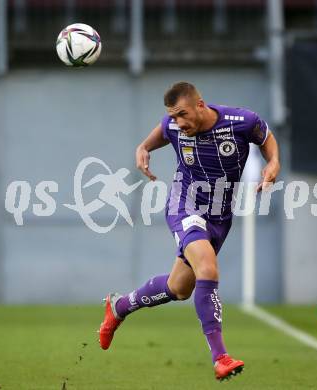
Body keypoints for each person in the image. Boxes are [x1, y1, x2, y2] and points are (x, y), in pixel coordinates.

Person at [98, 81, 280, 380]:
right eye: (173, 116)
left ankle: (119, 306)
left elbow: (267, 139)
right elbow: (151, 139)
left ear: (200, 105)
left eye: (183, 114)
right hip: (185, 205)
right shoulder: (172, 126)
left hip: (220, 214)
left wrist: (273, 163)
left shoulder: (242, 121)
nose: (179, 123)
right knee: (207, 267)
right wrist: (142, 149)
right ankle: (220, 357)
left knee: (179, 288)